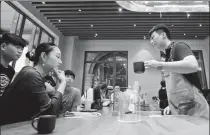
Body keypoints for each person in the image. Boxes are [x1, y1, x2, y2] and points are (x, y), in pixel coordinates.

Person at [144, 24, 209, 119]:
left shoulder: (178, 47)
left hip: (195, 111)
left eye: (153, 37)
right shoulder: (167, 57)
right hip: (179, 111)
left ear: (163, 35)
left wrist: (159, 65)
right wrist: (170, 105)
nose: (151, 41)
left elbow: (193, 65)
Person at [1, 42, 66, 125]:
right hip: (8, 129)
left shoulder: (37, 76)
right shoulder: (31, 74)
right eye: (57, 57)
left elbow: (58, 110)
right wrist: (63, 83)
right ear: (44, 56)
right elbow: (50, 113)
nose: (60, 62)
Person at [0, 33, 27, 98]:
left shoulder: (11, 71)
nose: (20, 52)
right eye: (17, 47)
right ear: (3, 46)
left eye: (22, 49)